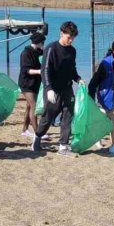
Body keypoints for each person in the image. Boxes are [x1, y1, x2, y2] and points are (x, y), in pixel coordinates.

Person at [32, 21, 83, 158]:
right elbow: (45, 70)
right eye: (69, 37)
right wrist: (48, 88)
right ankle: (37, 137)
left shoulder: (72, 51)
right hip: (52, 88)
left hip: (67, 88)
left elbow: (72, 69)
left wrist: (78, 79)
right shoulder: (51, 48)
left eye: (73, 38)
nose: (71, 40)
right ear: (62, 33)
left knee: (68, 115)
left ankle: (63, 146)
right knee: (49, 116)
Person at [19, 32, 46, 139]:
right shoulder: (26, 53)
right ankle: (38, 132)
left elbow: (45, 57)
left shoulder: (38, 51)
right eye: (42, 42)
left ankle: (24, 130)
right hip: (26, 83)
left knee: (29, 106)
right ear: (38, 42)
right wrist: (40, 71)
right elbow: (26, 70)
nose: (43, 44)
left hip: (35, 83)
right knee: (34, 106)